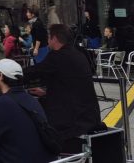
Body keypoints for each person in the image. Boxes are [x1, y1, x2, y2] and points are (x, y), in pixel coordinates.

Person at [23, 24, 103, 153]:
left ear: (54, 38)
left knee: (35, 121)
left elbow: (35, 71)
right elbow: (71, 83)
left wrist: (7, 75)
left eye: (49, 37)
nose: (48, 40)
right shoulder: (79, 54)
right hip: (90, 115)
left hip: (72, 121)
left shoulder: (57, 56)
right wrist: (47, 92)